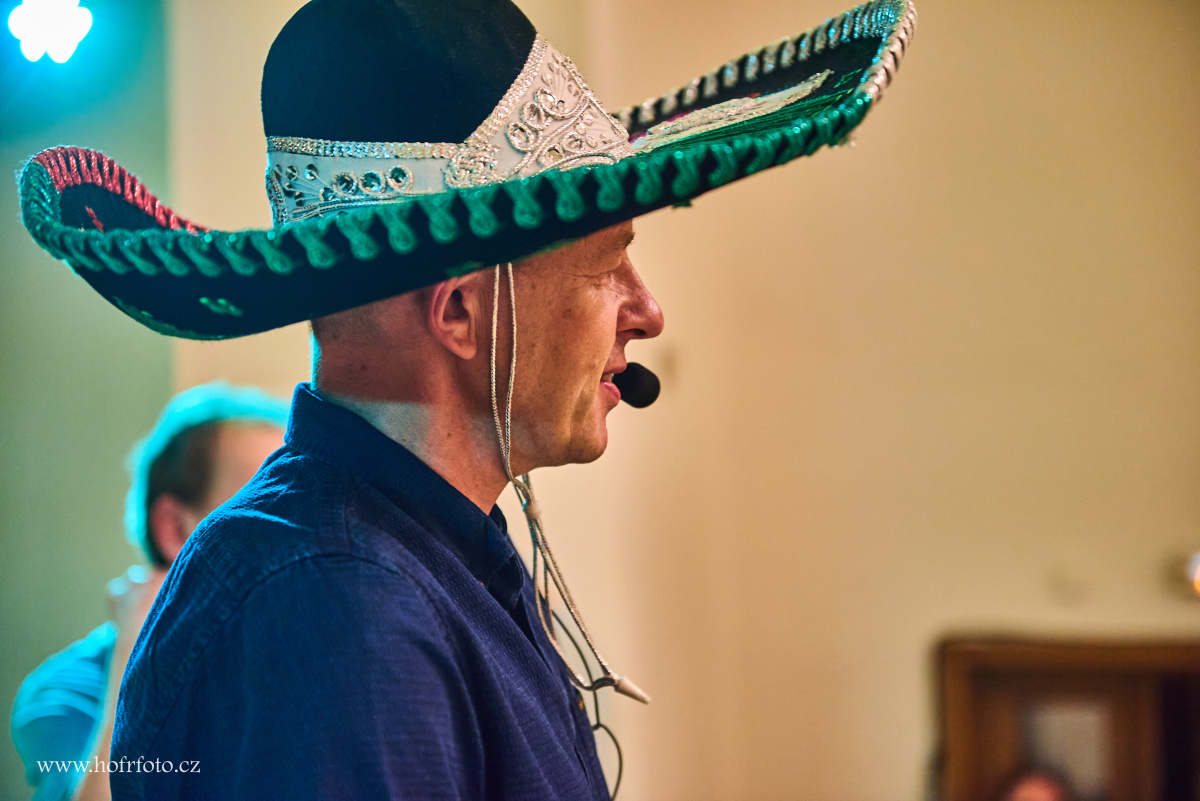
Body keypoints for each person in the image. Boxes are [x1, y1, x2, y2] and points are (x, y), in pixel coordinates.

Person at [15, 0, 915, 796]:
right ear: (459, 312)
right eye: (607, 266)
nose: (647, 311)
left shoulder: (407, 556)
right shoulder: (343, 609)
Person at [9, 383, 288, 801]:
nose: (297, 531)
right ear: (174, 528)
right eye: (265, 505)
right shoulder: (73, 689)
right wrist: (133, 658)